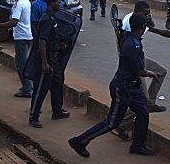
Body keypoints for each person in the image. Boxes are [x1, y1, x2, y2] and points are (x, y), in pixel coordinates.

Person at [68, 14, 158, 157]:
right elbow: (140, 71)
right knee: (112, 122)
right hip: (122, 88)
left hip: (132, 87)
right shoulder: (132, 45)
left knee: (143, 111)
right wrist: (152, 74)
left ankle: (138, 145)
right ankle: (80, 140)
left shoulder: (130, 38)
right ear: (141, 27)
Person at [112, 1, 167, 141]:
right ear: (136, 12)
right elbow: (126, 38)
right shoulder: (128, 22)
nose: (147, 16)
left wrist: (149, 18)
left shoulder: (141, 20)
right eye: (145, 13)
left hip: (140, 57)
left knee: (161, 72)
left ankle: (151, 103)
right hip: (133, 62)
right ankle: (122, 126)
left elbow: (152, 27)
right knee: (142, 100)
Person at [29, 0, 70, 128]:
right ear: (52, 4)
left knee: (57, 85)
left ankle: (57, 111)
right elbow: (42, 42)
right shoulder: (46, 19)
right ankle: (34, 116)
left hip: (54, 58)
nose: (60, 4)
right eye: (58, 2)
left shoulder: (52, 18)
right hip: (46, 60)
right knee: (41, 89)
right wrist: (45, 63)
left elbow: (51, 38)